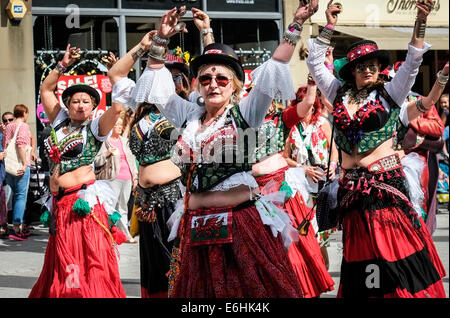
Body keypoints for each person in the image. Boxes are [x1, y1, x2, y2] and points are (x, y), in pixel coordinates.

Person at [112, 2, 322, 297]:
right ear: (197, 84)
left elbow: (274, 67)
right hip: (196, 228)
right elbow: (159, 92)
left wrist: (296, 24)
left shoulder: (245, 114)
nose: (213, 84)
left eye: (222, 78)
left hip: (240, 224)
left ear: (234, 85)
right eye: (206, 79)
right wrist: (161, 38)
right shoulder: (189, 115)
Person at [306, 0, 446, 297]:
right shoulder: (338, 93)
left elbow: (412, 63)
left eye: (373, 64)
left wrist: (420, 20)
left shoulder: (390, 94)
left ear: (379, 69)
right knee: (361, 257)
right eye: (362, 65)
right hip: (352, 191)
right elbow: (315, 65)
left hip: (384, 186)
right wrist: (328, 25)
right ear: (353, 70)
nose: (368, 69)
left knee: (395, 254)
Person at [108, 7, 214, 298]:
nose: (173, 81)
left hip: (173, 199)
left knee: (176, 267)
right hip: (146, 204)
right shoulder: (140, 107)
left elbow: (214, 74)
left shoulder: (188, 112)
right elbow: (117, 74)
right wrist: (149, 44)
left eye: (180, 77)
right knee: (154, 271)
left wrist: (206, 34)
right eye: (169, 75)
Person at [29, 44, 126, 298]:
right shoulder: (59, 121)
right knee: (63, 262)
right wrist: (63, 65)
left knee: (86, 260)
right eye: (76, 101)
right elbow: (46, 89)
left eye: (86, 101)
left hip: (83, 204)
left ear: (94, 106)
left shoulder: (95, 128)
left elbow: (117, 108)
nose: (81, 106)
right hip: (59, 205)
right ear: (68, 105)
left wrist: (116, 74)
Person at [250, 79, 335, 297]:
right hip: (255, 196)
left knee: (300, 248)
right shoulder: (241, 124)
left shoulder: (280, 119)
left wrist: (313, 83)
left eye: (264, 98)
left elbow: (307, 104)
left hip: (283, 192)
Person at [283, 82, 339, 271]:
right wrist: (302, 168)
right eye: (301, 102)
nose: (307, 108)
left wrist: (332, 166)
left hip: (321, 185)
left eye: (311, 104)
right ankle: (311, 273)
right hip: (300, 188)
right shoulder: (290, 127)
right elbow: (284, 157)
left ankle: (323, 272)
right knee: (306, 232)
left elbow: (334, 151)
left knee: (319, 234)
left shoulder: (322, 123)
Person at [94, 110, 138, 243]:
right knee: (110, 207)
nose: (119, 127)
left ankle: (125, 235)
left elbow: (131, 160)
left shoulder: (125, 141)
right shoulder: (105, 142)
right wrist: (108, 153)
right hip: (112, 178)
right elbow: (97, 161)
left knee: (123, 207)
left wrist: (135, 176)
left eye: (120, 125)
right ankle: (107, 234)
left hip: (127, 178)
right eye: (116, 125)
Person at [2, 104, 33, 241]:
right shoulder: (24, 126)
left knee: (15, 196)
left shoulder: (8, 127)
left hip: (8, 166)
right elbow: (21, 145)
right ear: (25, 113)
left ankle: (18, 225)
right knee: (21, 196)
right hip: (19, 165)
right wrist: (25, 163)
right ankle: (16, 228)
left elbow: (5, 145)